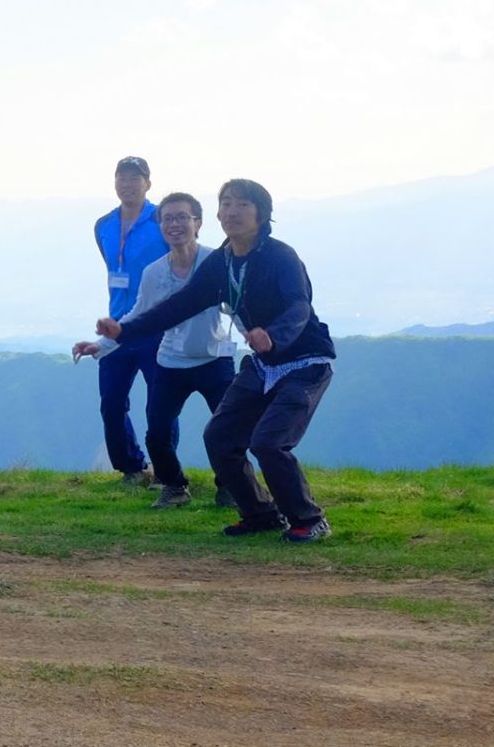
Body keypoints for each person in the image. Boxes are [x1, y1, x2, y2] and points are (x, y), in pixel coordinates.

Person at [96, 179, 337, 543]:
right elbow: (178, 306)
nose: (232, 211)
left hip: (305, 362)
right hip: (263, 363)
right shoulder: (221, 263)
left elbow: (299, 305)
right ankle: (260, 515)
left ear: (261, 213)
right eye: (226, 203)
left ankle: (309, 519)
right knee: (220, 436)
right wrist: (123, 332)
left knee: (269, 443)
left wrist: (273, 335)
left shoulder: (281, 256)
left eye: (242, 204)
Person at [74, 192, 236, 509]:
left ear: (198, 223)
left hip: (214, 359)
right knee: (157, 432)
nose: (174, 224)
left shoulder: (215, 263)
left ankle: (230, 487)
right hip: (171, 361)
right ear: (160, 225)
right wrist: (102, 345)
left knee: (227, 429)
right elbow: (137, 315)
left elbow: (239, 303)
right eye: (167, 219)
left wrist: (263, 334)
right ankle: (174, 487)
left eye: (182, 217)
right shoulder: (154, 272)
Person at [92, 155, 168, 486]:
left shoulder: (162, 219)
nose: (127, 183)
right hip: (116, 326)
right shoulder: (103, 224)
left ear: (148, 183)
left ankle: (166, 471)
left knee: (160, 404)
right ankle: (131, 468)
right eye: (122, 177)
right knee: (111, 402)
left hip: (156, 325)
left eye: (135, 178)